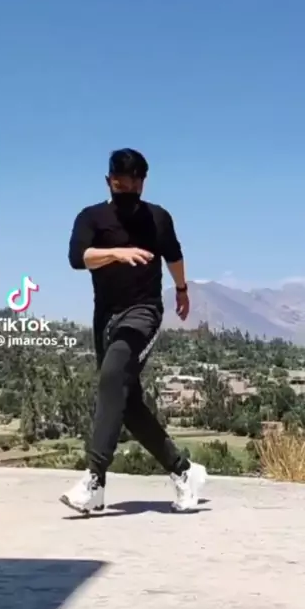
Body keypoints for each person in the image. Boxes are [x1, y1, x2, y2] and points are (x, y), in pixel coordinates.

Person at [60, 148, 206, 515]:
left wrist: (182, 290)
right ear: (108, 181)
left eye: (133, 184)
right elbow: (78, 257)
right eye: (119, 184)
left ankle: (94, 479)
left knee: (112, 377)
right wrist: (116, 253)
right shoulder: (92, 217)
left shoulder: (157, 218)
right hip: (105, 318)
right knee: (126, 404)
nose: (126, 190)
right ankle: (182, 469)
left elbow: (173, 255)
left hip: (143, 312)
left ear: (143, 182)